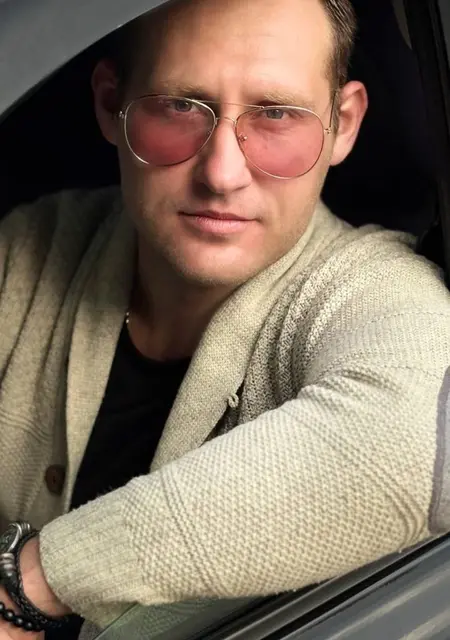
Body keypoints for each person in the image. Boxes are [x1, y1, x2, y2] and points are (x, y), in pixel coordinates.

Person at [0, 0, 450, 637]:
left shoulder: (366, 288)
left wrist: (34, 580)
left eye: (277, 115)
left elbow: (421, 440)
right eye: (180, 106)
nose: (222, 174)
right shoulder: (30, 249)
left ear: (343, 125)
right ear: (110, 104)